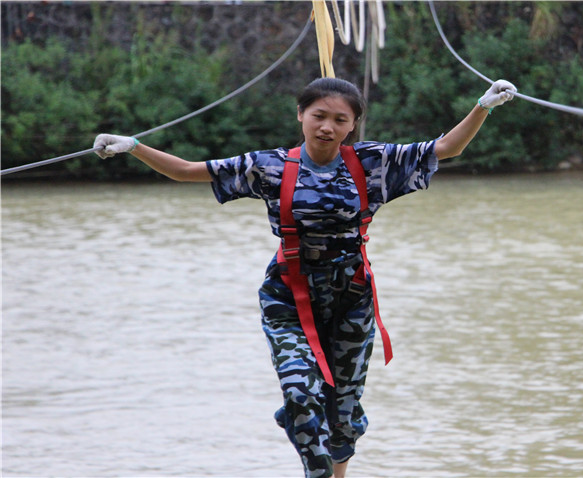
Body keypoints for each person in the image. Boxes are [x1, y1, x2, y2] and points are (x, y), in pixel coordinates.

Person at [93, 77, 516, 478]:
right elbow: (187, 170)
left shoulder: (373, 162)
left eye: (340, 120)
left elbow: (446, 148)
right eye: (319, 116)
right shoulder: (269, 167)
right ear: (300, 115)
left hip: (351, 296)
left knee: (342, 410)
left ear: (353, 126)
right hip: (290, 297)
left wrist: (482, 106)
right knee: (300, 392)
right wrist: (133, 147)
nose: (328, 127)